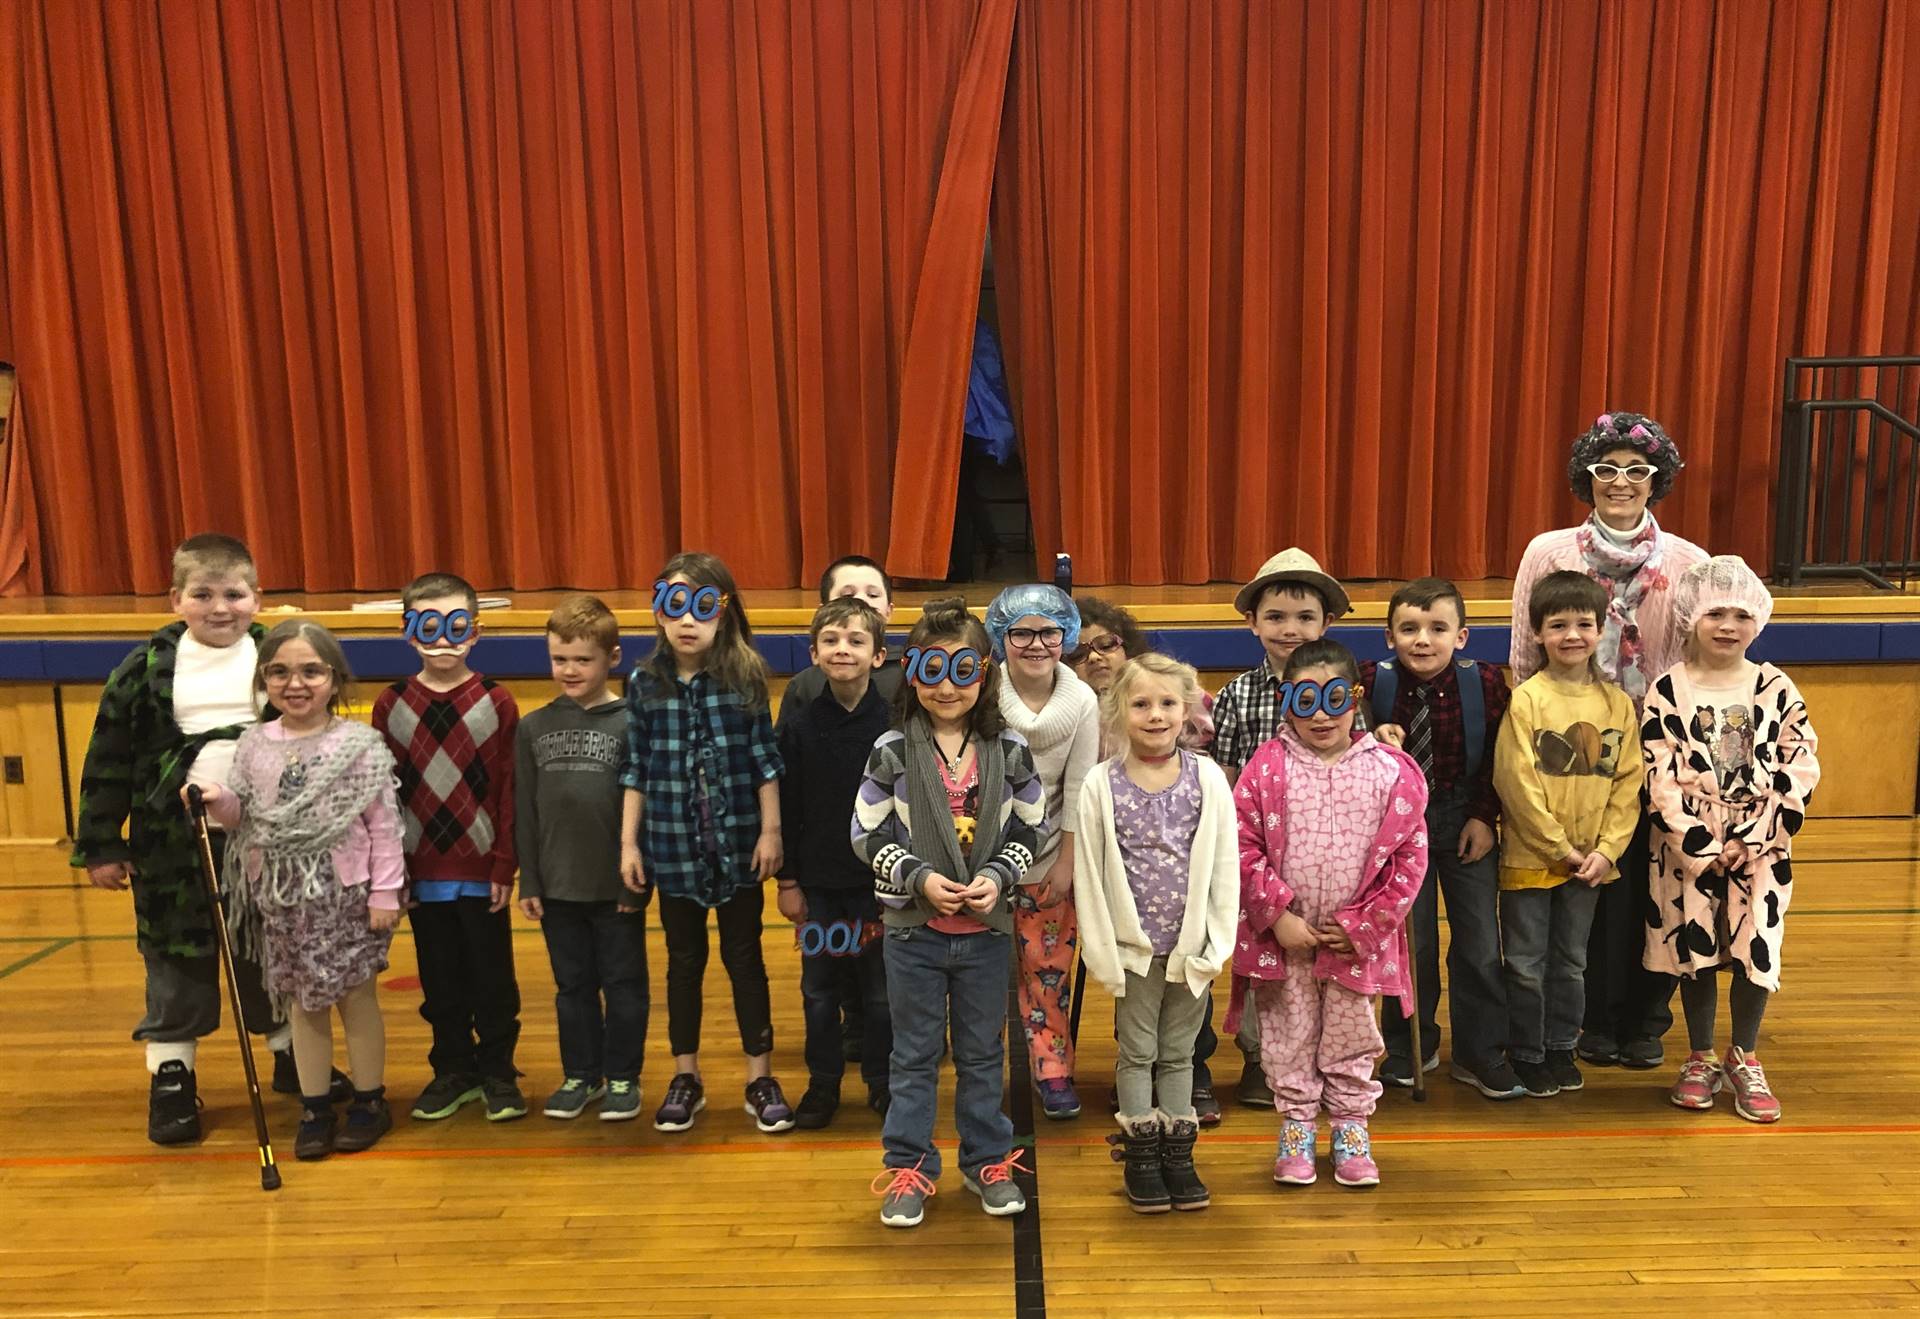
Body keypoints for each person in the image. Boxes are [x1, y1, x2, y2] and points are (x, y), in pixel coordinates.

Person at [72, 534, 329, 1146]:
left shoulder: (282, 657)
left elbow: (320, 741)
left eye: (235, 594)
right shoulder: (145, 669)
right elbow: (107, 755)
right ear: (175, 599)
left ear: (257, 596)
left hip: (269, 840)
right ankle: (172, 1077)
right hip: (172, 843)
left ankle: (295, 1056)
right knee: (175, 960)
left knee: (271, 951)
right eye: (203, 595)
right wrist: (102, 842)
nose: (221, 608)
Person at [1510, 412, 1707, 1070]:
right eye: (1606, 469)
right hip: (1570, 754)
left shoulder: (1688, 563)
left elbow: (1697, 663)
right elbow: (1521, 657)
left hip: (1660, 752)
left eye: (1637, 470)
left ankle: (1644, 1016)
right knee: (1581, 885)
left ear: (1657, 480)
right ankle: (1589, 1019)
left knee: (1649, 888)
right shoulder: (1547, 553)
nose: (1620, 482)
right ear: (1586, 478)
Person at [854, 598, 1049, 1229]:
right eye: (932, 669)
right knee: (912, 1058)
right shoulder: (890, 750)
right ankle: (910, 1166)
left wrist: (998, 876)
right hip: (914, 935)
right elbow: (865, 834)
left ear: (984, 673)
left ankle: (987, 1158)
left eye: (962, 670)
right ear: (912, 672)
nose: (946, 685)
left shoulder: (1010, 749)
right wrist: (918, 878)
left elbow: (1034, 826)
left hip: (986, 936)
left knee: (982, 1056)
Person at [199, 621, 402, 1160]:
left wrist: (386, 893)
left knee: (356, 999)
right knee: (302, 1005)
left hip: (347, 896)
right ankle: (315, 1107)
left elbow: (384, 826)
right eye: (280, 672)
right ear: (264, 680)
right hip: (284, 898)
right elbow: (242, 817)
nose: (296, 683)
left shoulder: (358, 745)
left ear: (334, 679)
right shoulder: (254, 744)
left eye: (311, 671)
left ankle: (369, 1101)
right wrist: (216, 796)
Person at [1229, 639, 1428, 1188]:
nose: (1320, 714)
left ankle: (1350, 1126)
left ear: (1356, 698)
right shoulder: (1266, 768)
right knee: (1287, 1030)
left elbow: (1410, 855)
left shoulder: (1391, 770)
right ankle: (1295, 1124)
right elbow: (1241, 845)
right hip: (1285, 938)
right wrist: (1277, 916)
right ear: (1285, 698)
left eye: (1335, 698)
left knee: (1352, 1031)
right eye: (1305, 698)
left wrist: (1364, 926)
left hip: (1354, 942)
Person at [1641, 557, 1820, 1122]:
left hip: (1761, 845)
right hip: (1688, 849)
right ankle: (1699, 1056)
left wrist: (1753, 837)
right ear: (1692, 616)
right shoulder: (1667, 689)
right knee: (1695, 947)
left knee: (1755, 946)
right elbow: (1659, 776)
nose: (1727, 625)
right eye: (1715, 612)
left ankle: (1744, 1054)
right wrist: (1700, 843)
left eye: (1741, 614)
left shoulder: (1774, 685)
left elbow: (1802, 763)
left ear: (1757, 621)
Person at [620, 552, 792, 1133]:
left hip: (740, 843)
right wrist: (629, 844)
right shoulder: (644, 682)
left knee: (746, 959)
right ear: (658, 612)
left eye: (701, 607)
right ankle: (686, 1074)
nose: (687, 621)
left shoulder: (744, 676)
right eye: (674, 606)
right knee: (683, 962)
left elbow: (766, 759)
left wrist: (771, 831)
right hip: (672, 849)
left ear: (724, 612)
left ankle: (758, 1075)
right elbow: (636, 768)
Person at [1074, 654, 1238, 1213]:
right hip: (1134, 953)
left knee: (1180, 1054)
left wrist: (1217, 941)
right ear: (1119, 710)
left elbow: (1223, 866)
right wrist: (1103, 952)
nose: (1155, 714)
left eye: (1167, 703)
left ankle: (1179, 1153)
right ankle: (1141, 1153)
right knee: (1138, 1052)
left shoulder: (1208, 779)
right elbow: (1091, 874)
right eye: (1141, 703)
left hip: (1189, 951)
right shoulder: (1101, 784)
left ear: (1186, 708)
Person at [1360, 578, 1524, 1099]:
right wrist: (1371, 739)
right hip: (1397, 831)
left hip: (1464, 820)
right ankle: (1411, 1045)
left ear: (1463, 636)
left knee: (1478, 943)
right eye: (1408, 629)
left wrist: (1482, 816)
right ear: (1389, 637)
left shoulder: (1489, 684)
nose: (1423, 640)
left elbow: (1503, 759)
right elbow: (1342, 754)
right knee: (1413, 944)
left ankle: (1480, 1051)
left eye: (1437, 628)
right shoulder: (1370, 685)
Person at [374, 571, 524, 1122]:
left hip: (481, 870)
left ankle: (499, 1072)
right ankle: (452, 1069)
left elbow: (508, 788)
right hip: (420, 872)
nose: (443, 637)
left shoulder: (496, 701)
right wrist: (394, 873)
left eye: (456, 624)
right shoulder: (391, 705)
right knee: (440, 978)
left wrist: (504, 866)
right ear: (408, 631)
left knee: (492, 976)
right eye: (429, 624)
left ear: (475, 631)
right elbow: (384, 795)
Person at [1208, 548, 1353, 1108]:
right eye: (1275, 617)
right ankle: (1258, 1059)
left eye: (1303, 618)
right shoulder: (1238, 695)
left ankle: (1328, 1058)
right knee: (1259, 957)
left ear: (1326, 624)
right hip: (1255, 853)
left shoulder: (1343, 693)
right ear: (1252, 622)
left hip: (1328, 853)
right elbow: (1220, 772)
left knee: (1322, 956)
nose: (1290, 630)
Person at [1494, 571, 1645, 1098]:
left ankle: (1562, 1045)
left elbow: (1628, 785)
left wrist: (1605, 851)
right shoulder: (1527, 700)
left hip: (1592, 865)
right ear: (1537, 633)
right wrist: (1560, 847)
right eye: (1558, 625)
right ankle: (1528, 1051)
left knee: (1572, 962)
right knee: (1528, 962)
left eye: (1584, 624)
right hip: (1531, 859)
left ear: (1602, 629)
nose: (1572, 635)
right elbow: (1515, 782)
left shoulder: (1616, 705)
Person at [516, 595, 649, 1122]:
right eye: (559, 659)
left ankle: (623, 1077)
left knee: (623, 986)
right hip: (556, 887)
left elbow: (642, 813)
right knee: (571, 987)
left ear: (611, 657)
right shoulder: (533, 727)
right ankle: (581, 1074)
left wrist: (636, 883)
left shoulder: (631, 723)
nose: (569, 670)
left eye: (582, 659)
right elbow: (524, 809)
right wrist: (530, 879)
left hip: (614, 886)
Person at [776, 555, 902, 1066]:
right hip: (821, 883)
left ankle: (881, 1079)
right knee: (821, 986)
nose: (843, 649)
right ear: (814, 650)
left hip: (881, 882)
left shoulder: (897, 717)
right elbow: (788, 799)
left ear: (878, 653)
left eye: (856, 640)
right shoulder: (801, 716)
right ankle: (824, 1082)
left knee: (882, 987)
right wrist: (788, 879)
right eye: (832, 640)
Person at [983, 584, 1101, 1119]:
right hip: (980, 858)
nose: (1036, 644)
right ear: (1001, 636)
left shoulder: (1082, 701)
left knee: (1047, 969)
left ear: (1066, 636)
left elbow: (1079, 787)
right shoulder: (982, 689)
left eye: (1049, 632)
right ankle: (984, 1073)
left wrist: (1068, 860)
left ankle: (1053, 1068)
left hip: (1049, 855)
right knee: (980, 974)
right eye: (1021, 632)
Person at [1069, 596, 1215, 756]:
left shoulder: (1172, 688)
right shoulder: (1073, 711)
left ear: (1127, 649)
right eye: (1078, 654)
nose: (1094, 657)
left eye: (1105, 645)